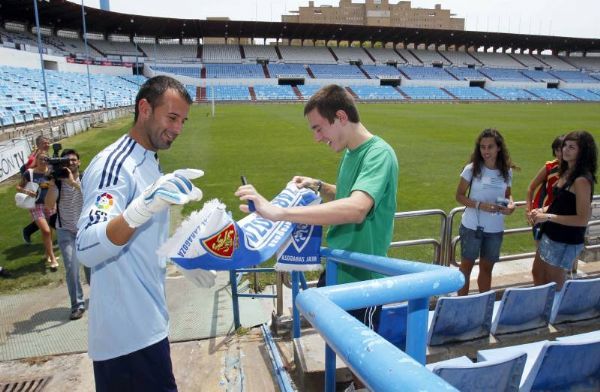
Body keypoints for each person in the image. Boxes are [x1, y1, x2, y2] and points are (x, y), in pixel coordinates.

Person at [235, 84, 398, 392]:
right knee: (339, 343)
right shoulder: (351, 154)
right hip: (339, 268)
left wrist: (278, 213)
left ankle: (360, 387)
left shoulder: (379, 153)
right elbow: (351, 195)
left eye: (318, 128)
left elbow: (358, 207)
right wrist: (319, 185)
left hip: (363, 279)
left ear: (340, 117)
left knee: (363, 355)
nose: (317, 137)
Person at [76, 76, 203, 392]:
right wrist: (139, 209)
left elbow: (144, 243)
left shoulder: (148, 161)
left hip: (147, 327)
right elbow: (87, 247)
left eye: (183, 121)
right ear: (144, 108)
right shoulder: (116, 165)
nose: (178, 129)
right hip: (126, 340)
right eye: (172, 118)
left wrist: (186, 258)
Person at [530, 131, 597, 290]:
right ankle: (543, 310)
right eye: (565, 145)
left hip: (564, 239)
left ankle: (554, 313)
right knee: (537, 273)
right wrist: (542, 210)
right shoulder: (567, 172)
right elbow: (562, 204)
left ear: (583, 152)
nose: (565, 150)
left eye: (571, 147)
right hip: (551, 234)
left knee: (553, 282)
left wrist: (547, 216)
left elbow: (582, 219)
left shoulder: (581, 180)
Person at [455, 128, 516, 296]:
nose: (486, 151)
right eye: (482, 147)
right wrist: (480, 205)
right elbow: (459, 196)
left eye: (490, 147)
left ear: (498, 148)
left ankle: (482, 307)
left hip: (495, 229)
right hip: (472, 226)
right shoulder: (472, 169)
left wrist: (511, 205)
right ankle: (462, 304)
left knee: (487, 269)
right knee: (465, 269)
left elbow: (507, 194)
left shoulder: (507, 170)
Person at [45, 148, 90, 320]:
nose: (70, 163)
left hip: (85, 230)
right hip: (66, 231)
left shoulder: (86, 179)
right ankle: (77, 305)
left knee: (91, 267)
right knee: (71, 269)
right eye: (66, 160)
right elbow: (49, 205)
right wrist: (50, 185)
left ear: (78, 162)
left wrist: (73, 183)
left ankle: (100, 296)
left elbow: (92, 197)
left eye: (73, 160)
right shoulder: (57, 182)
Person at [16, 152, 59, 270]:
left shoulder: (51, 171)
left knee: (50, 231)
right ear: (36, 160)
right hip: (35, 205)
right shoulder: (29, 173)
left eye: (46, 159)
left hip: (49, 203)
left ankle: (48, 254)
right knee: (45, 230)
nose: (43, 161)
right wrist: (27, 192)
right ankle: (53, 258)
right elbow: (18, 187)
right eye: (41, 159)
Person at [526, 135, 564, 242]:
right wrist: (528, 209)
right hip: (541, 214)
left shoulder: (575, 171)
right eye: (557, 150)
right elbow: (531, 188)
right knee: (541, 253)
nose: (560, 153)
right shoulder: (550, 167)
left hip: (561, 216)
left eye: (563, 149)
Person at [21, 135, 50, 244]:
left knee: (48, 219)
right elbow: (29, 172)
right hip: (36, 195)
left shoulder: (45, 156)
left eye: (48, 142)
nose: (47, 144)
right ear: (38, 145)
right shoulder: (34, 158)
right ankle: (27, 231)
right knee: (44, 220)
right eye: (44, 143)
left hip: (46, 192)